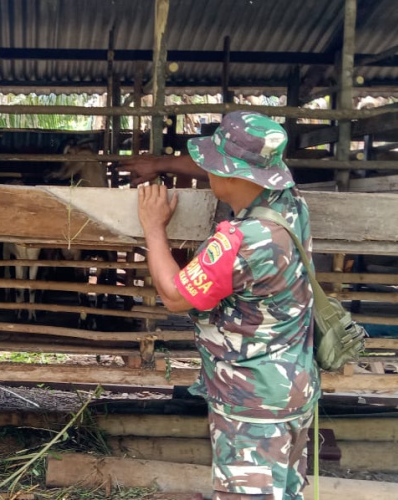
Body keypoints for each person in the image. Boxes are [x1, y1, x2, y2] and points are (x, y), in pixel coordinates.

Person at [122, 111, 320, 500]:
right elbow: (233, 172)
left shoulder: (241, 242)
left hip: (252, 405)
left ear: (230, 176)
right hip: (293, 387)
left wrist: (153, 226)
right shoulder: (291, 205)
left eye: (212, 165)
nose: (205, 170)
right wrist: (160, 164)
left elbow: (175, 296)